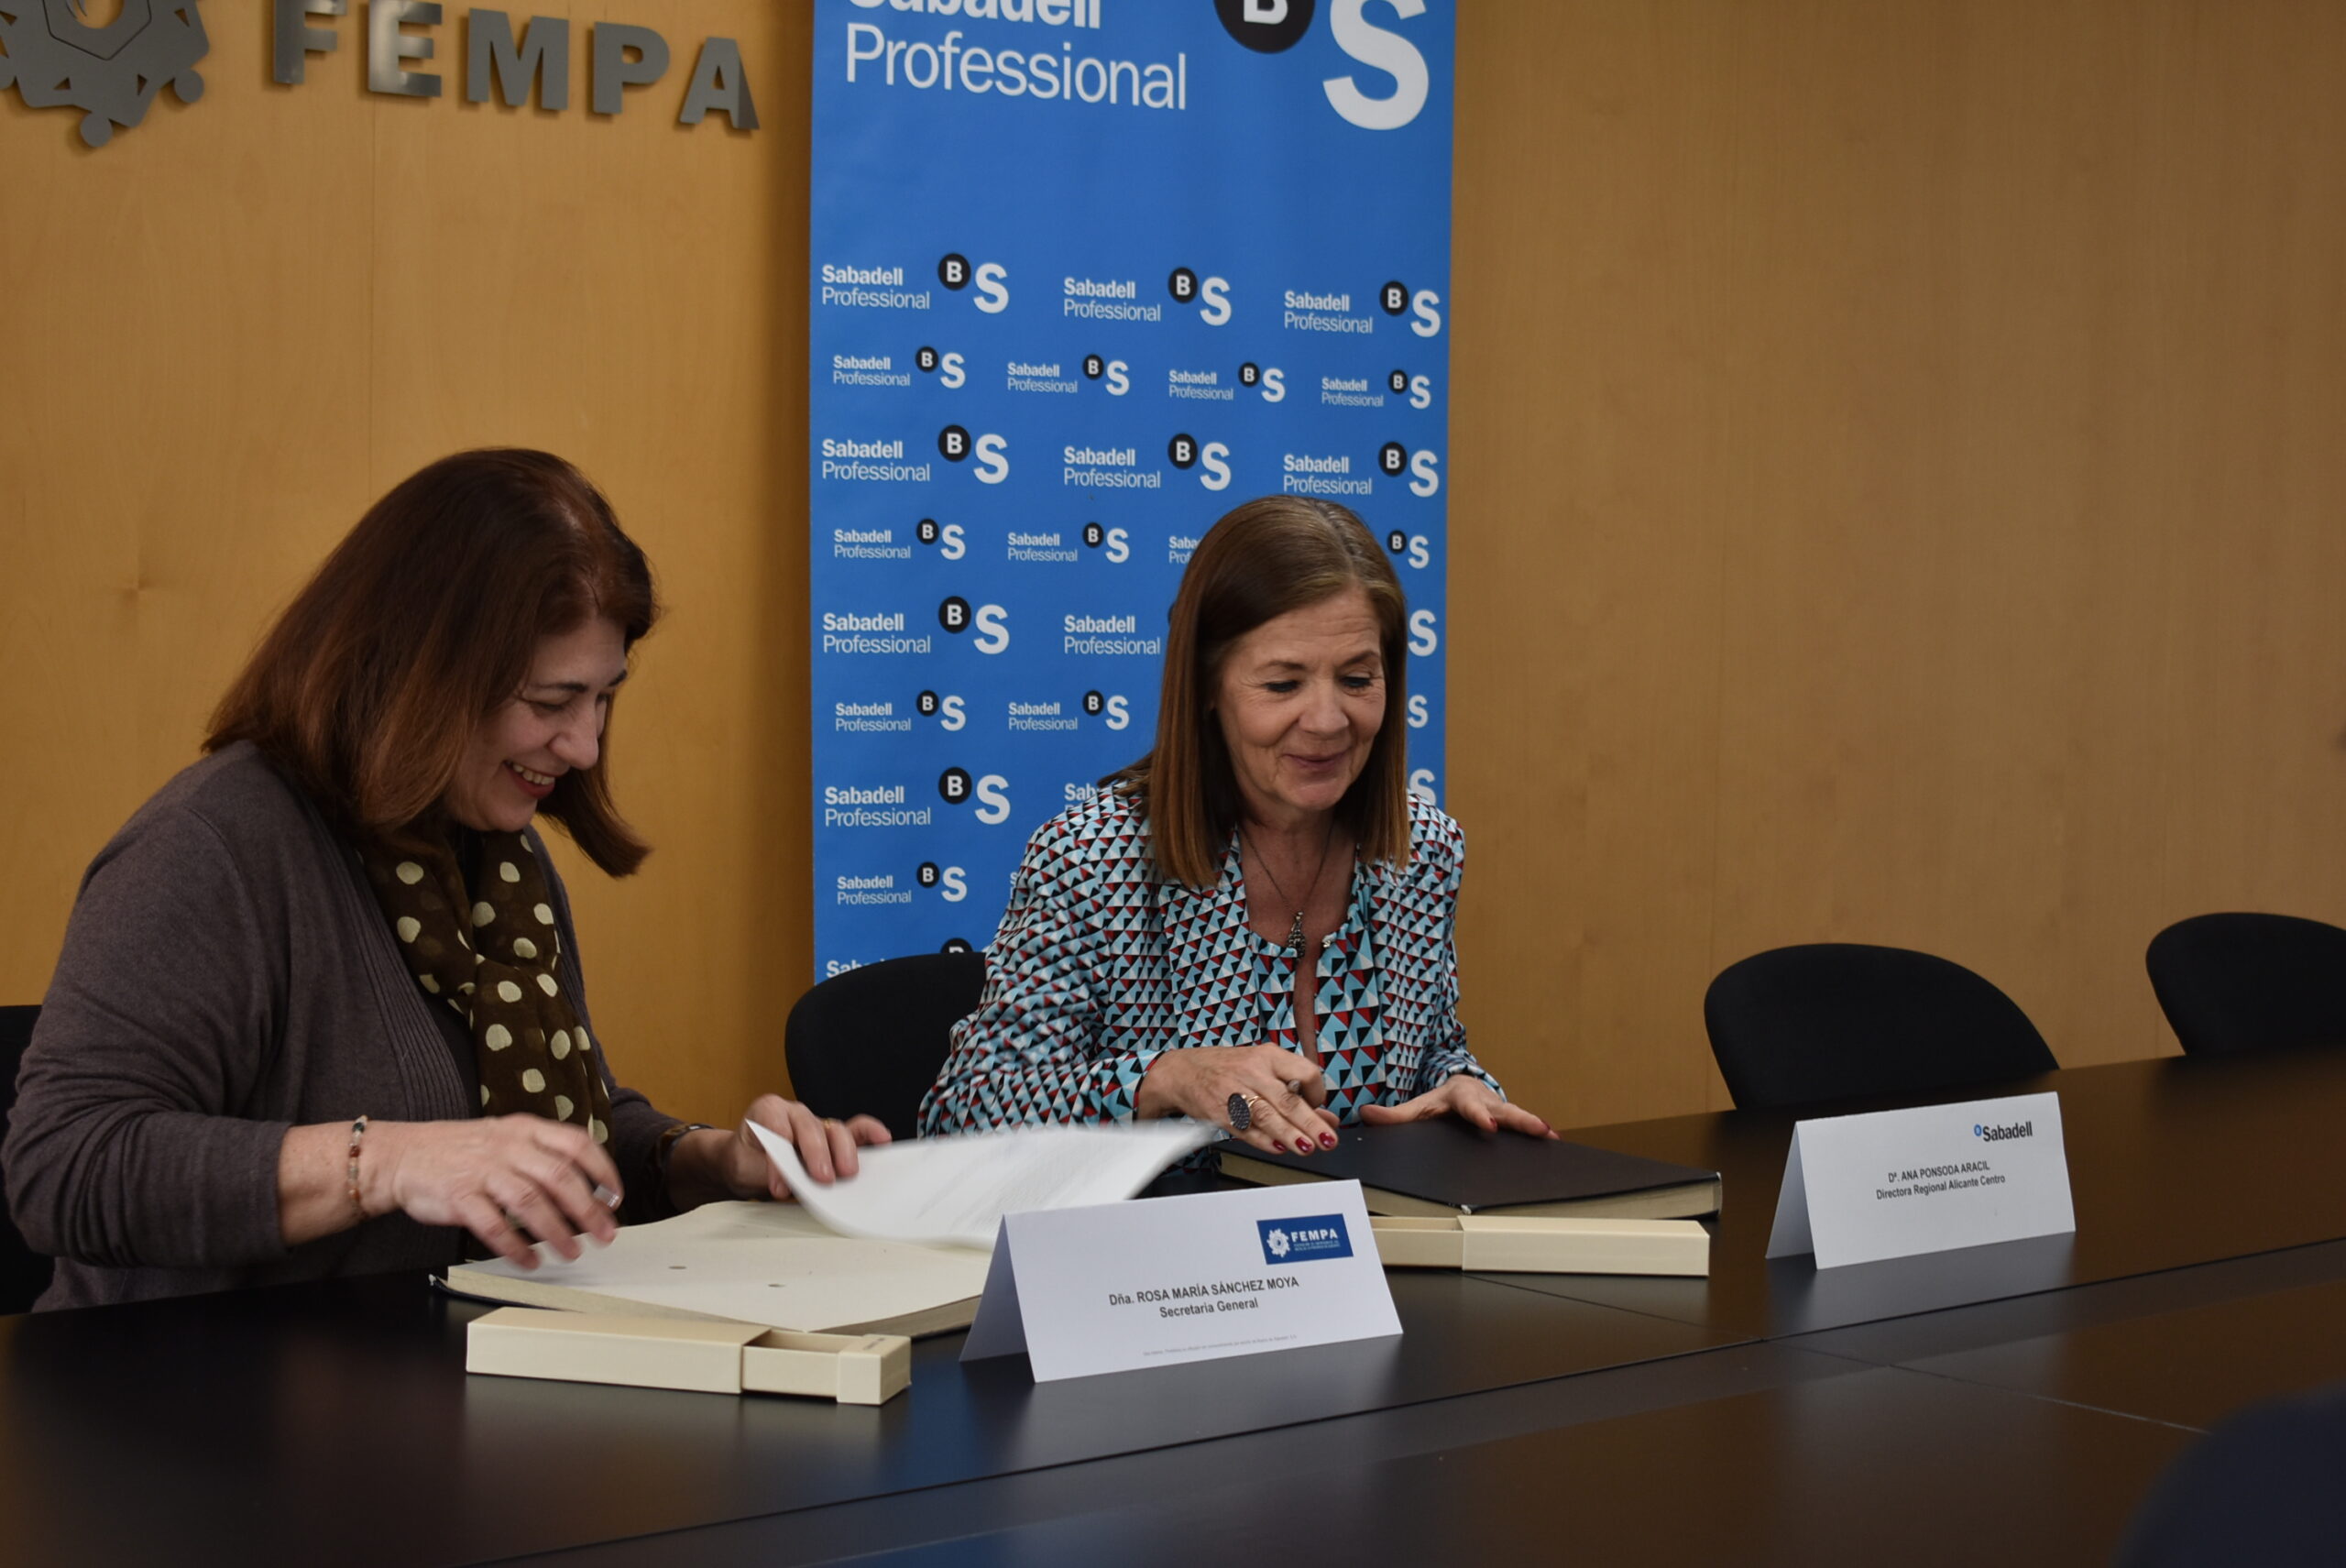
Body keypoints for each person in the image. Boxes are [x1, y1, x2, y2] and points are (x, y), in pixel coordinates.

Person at [4, 449, 887, 1310]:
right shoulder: (211, 849)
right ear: (421, 673)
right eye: (551, 702)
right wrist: (381, 1162)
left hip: (431, 1381)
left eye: (604, 697)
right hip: (187, 1396)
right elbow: (62, 1164)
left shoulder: (499, 854)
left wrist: (709, 1160)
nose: (584, 746)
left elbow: (541, 1140)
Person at [919, 495, 1551, 1158]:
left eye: (1357, 678)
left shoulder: (1424, 850)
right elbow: (964, 1112)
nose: (1327, 720)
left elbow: (1434, 1053)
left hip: (1367, 1227)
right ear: (1206, 687)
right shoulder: (1090, 861)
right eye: (1282, 685)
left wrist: (1462, 1086)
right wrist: (1166, 1078)